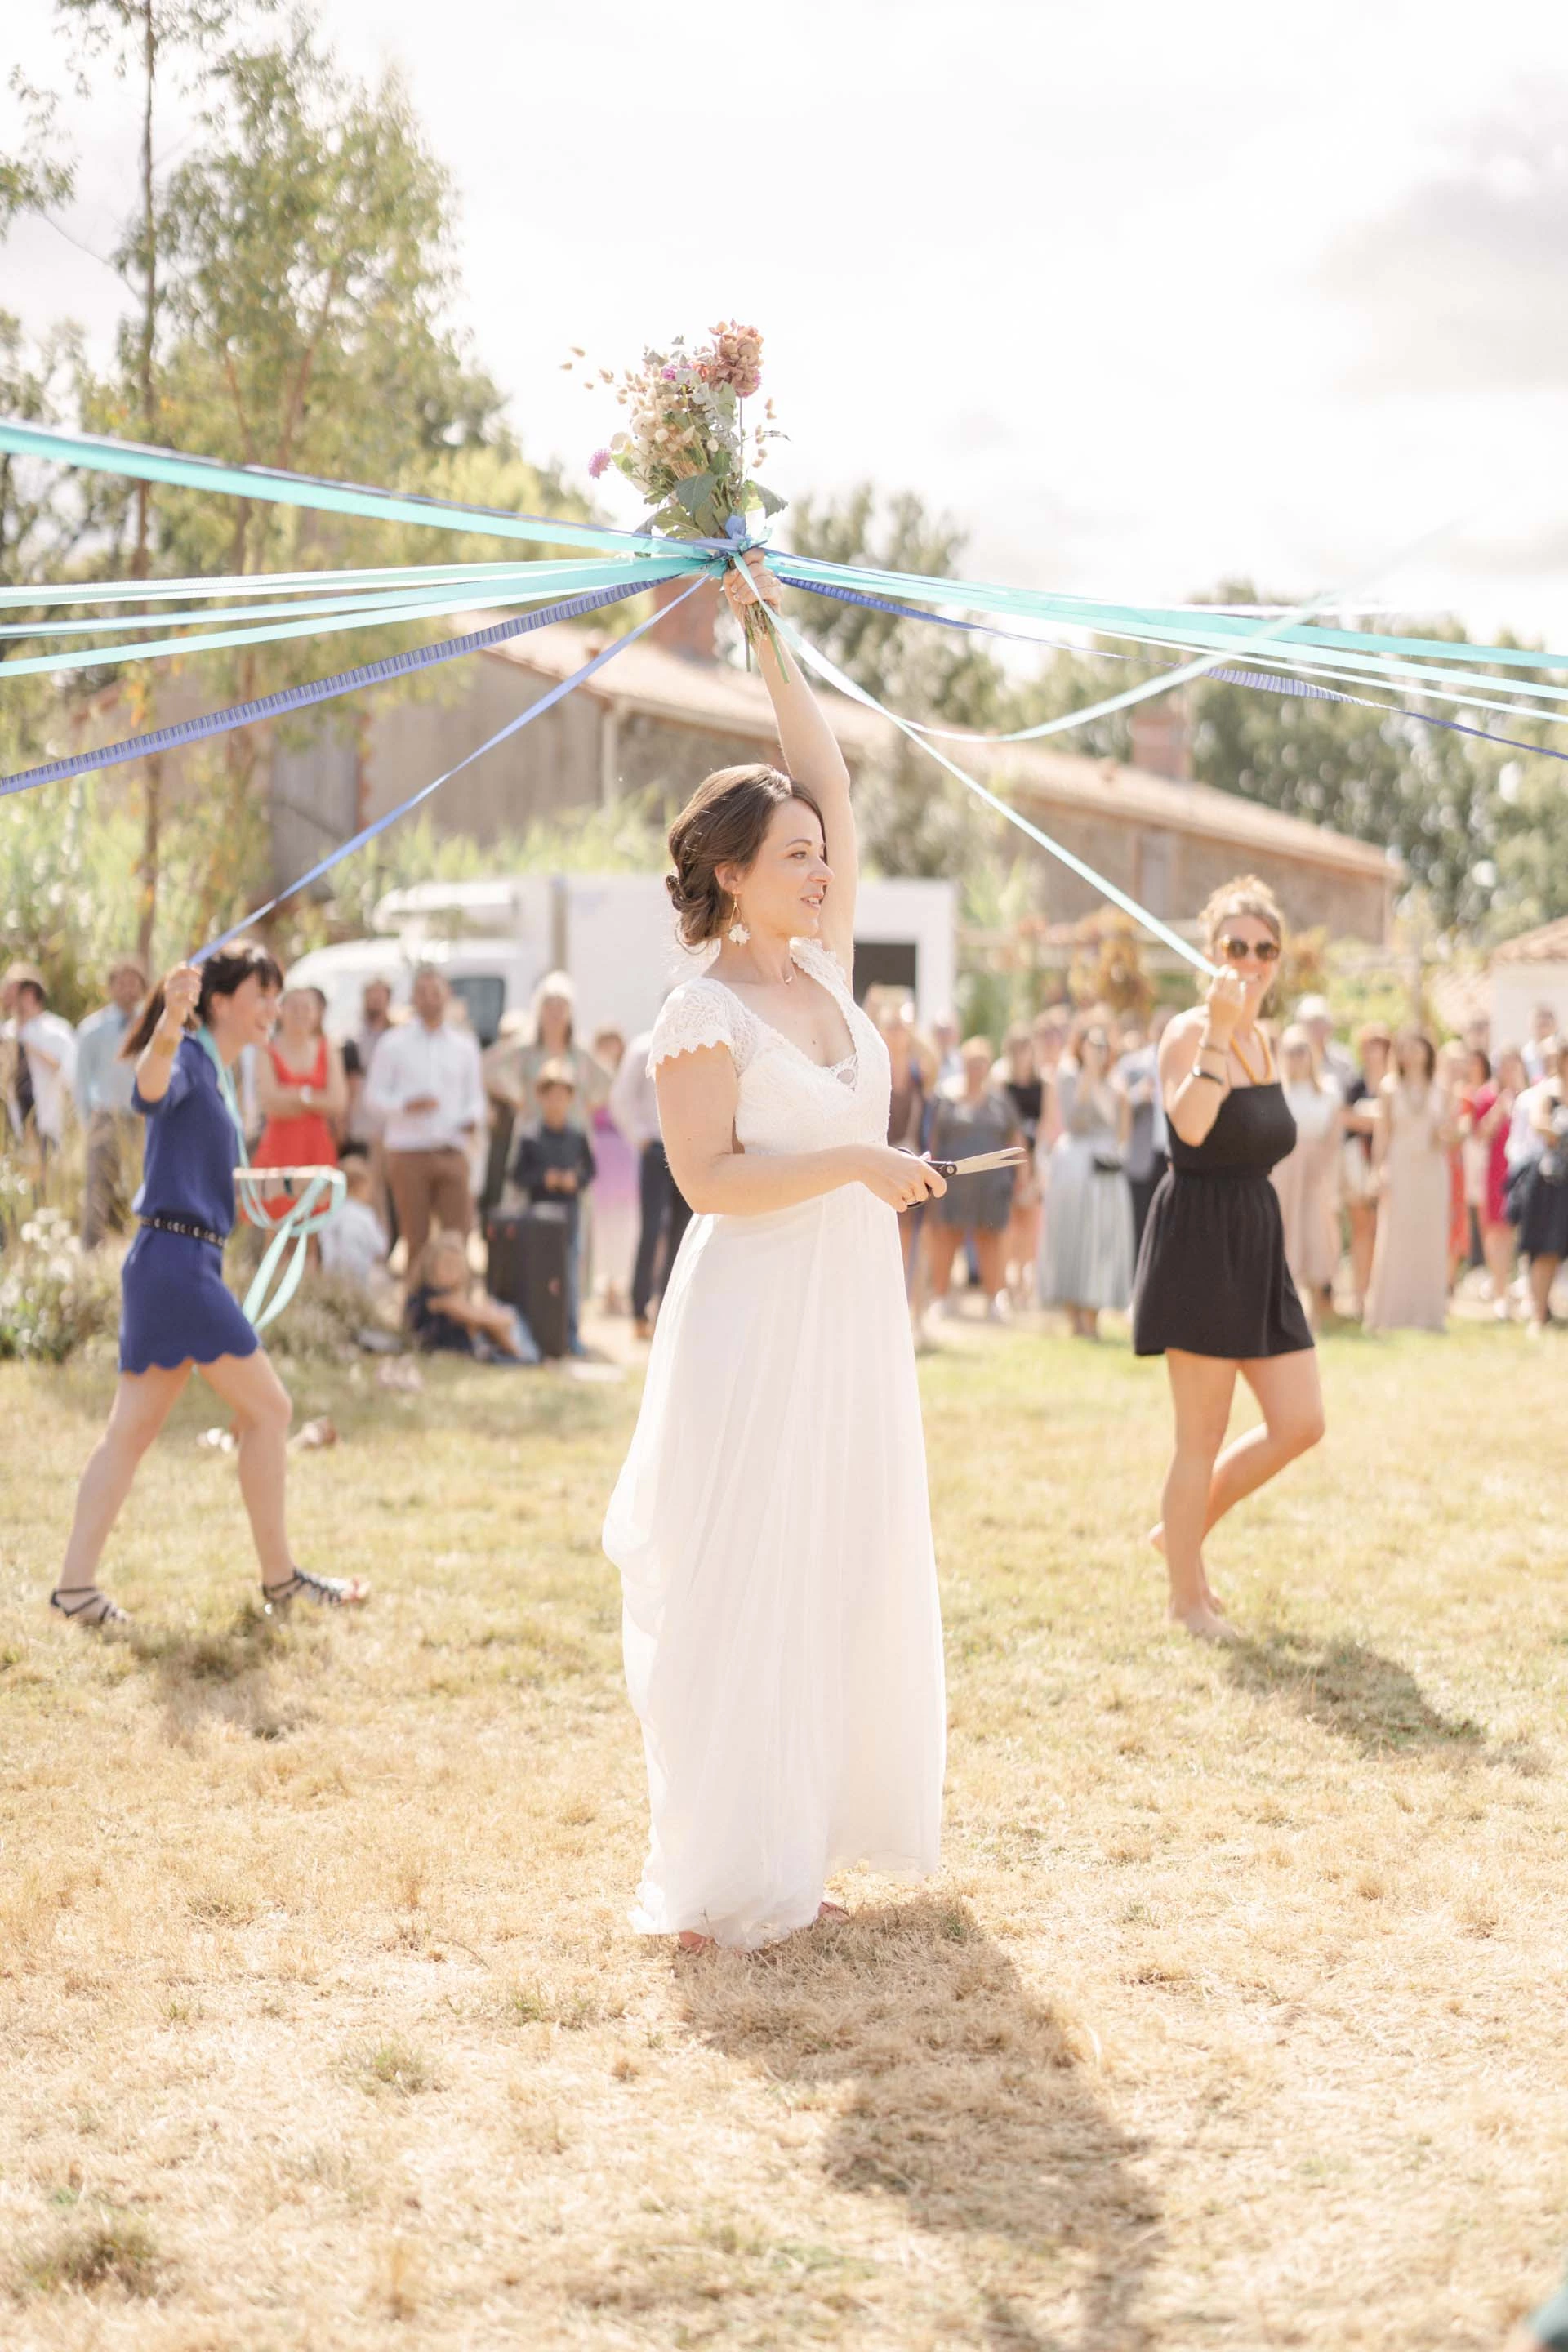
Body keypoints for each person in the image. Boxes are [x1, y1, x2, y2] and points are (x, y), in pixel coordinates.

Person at [602, 551, 948, 1953]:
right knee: (746, 1566)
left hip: (847, 1319)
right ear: (732, 880)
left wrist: (758, 623)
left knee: (833, 1561)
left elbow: (835, 776)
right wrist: (860, 1164)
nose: (821, 866)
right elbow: (708, 1180)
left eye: (821, 855)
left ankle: (795, 1847)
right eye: (794, 856)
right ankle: (721, 1874)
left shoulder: (827, 971)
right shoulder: (702, 1013)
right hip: (751, 1316)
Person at [50, 946, 368, 1629]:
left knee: (129, 1434)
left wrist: (281, 1186)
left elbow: (200, 1174)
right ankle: (281, 1581)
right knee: (272, 1411)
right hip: (178, 1268)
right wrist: (169, 1020)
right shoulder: (191, 1056)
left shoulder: (218, 1076)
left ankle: (74, 1589)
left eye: (278, 997)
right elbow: (149, 1088)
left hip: (169, 1259)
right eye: (263, 993)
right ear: (219, 1001)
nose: (273, 1010)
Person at [1133, 877, 1323, 1644]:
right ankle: (1187, 1598)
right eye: (1235, 946)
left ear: (1278, 959)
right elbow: (1191, 1123)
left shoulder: (1268, 1037)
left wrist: (1239, 1028)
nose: (1250, 960)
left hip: (1256, 1237)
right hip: (1200, 1237)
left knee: (1301, 1421)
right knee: (1200, 1437)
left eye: (1264, 948)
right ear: (1210, 954)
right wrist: (1215, 1028)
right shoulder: (1191, 1029)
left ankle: (1177, 1535)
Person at [363, 964, 484, 1272]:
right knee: (415, 1241)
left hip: (451, 1150)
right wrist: (406, 1105)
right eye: (422, 993)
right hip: (409, 1153)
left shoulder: (464, 1046)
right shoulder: (394, 1044)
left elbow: (476, 1098)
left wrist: (472, 1118)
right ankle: (417, 1315)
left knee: (458, 1238)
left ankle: (458, 1314)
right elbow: (372, 1098)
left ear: (447, 995)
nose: (429, 999)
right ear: (413, 998)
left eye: (435, 992)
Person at [1040, 1017, 1135, 1339]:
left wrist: (1115, 1093)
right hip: (1075, 1166)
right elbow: (1075, 1121)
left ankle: (1094, 1316)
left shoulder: (1117, 1081)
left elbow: (1120, 1129)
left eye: (1103, 1045)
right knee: (1072, 1234)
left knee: (1102, 1239)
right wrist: (1090, 1076)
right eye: (1093, 1044)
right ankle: (1074, 1317)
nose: (1099, 1050)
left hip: (1106, 1166)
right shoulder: (1068, 1076)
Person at [611, 1004, 694, 1341]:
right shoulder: (645, 1047)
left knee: (682, 1232)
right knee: (651, 1230)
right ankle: (638, 1308)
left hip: (689, 1151)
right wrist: (641, 1139)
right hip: (657, 1150)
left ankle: (667, 1310)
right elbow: (620, 1098)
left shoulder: (698, 1048)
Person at [924, 1037, 1022, 1321]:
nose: (976, 1069)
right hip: (952, 1185)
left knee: (990, 1238)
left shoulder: (1000, 1103)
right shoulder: (946, 1100)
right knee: (946, 1236)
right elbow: (933, 1138)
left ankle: (994, 1299)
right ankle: (940, 1297)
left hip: (992, 1186)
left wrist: (1023, 1179)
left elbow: (1016, 1139)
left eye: (982, 1063)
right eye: (971, 1063)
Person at [1363, 1030, 1452, 1334]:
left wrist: (1450, 1134)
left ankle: (1429, 1314)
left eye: (1418, 1047)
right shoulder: (1389, 1088)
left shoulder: (1440, 1088)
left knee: (1429, 1237)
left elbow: (1447, 1131)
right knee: (1395, 1238)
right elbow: (1382, 1133)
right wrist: (1377, 1171)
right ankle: (1389, 1314)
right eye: (1406, 1048)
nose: (1412, 1054)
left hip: (1432, 1168)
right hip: (1400, 1166)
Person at [510, 1059, 598, 1356]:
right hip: (538, 1218)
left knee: (570, 1277)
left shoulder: (576, 1136)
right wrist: (544, 1178)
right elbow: (518, 1175)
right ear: (541, 1097)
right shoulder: (530, 1135)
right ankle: (538, 1332)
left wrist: (574, 1180)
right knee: (538, 1275)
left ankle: (571, 1333)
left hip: (569, 1216)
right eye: (551, 1094)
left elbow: (590, 1172)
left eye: (563, 1095)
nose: (557, 1102)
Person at [75, 953, 149, 1250]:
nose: (128, 989)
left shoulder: (152, 1026)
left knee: (139, 1183)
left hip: (141, 1118)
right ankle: (91, 1249)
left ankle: (136, 1244)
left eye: (134, 983)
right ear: (111, 986)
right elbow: (81, 1080)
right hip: (105, 1117)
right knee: (98, 1186)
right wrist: (87, 1122)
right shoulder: (94, 1029)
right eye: (122, 982)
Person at [1272, 1022, 1343, 1323]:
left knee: (1316, 1231)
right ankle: (1285, 1309)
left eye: (1301, 1050)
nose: (1296, 1058)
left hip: (1315, 1172)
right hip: (1282, 1170)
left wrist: (1321, 1166)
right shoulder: (1274, 1091)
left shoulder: (1327, 1090)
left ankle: (1315, 1310)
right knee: (1284, 1233)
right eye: (1289, 1052)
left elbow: (1334, 1134)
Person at [252, 986, 345, 1209]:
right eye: (294, 1007)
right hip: (279, 1148)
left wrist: (294, 1096)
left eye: (307, 1008)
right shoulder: (266, 1049)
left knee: (314, 1221)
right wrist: (314, 1099)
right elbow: (269, 1102)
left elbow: (338, 1102)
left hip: (317, 1147)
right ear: (281, 1010)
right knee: (275, 1219)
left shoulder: (327, 1048)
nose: (300, 1013)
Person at [405, 1227, 539, 1363]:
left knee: (496, 1313)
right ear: (431, 1267)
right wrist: (502, 1318)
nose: (452, 1271)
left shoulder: (449, 1294)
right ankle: (525, 1358)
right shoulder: (432, 1297)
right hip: (444, 1347)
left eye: (456, 1266)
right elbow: (474, 1316)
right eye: (447, 1265)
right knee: (498, 1317)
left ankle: (524, 1357)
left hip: (461, 1343)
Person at [1509, 1047, 1568, 1333]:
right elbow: (1539, 1124)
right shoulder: (1548, 1092)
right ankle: (1537, 1314)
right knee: (1545, 1248)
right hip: (1552, 1182)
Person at [1465, 1047, 1523, 1318]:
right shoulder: (1487, 1096)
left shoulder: (1529, 1095)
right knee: (1495, 1231)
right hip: (1495, 1171)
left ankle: (1513, 1288)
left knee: (1514, 1233)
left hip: (1520, 1171)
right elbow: (1480, 1134)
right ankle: (1500, 1291)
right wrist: (1500, 1108)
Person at [1341, 1022, 1392, 1316]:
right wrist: (1377, 1122)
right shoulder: (1355, 1084)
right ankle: (1359, 1296)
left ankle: (1381, 1297)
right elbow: (1345, 1118)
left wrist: (1373, 1121)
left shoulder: (1396, 1084)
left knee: (1385, 1230)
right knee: (1362, 1230)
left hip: (1388, 1165)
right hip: (1358, 1163)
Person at [1115, 1010, 1171, 1255]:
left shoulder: (1185, 1064)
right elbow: (1119, 1104)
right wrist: (1139, 1095)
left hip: (1171, 1157)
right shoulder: (1133, 1065)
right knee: (1139, 1223)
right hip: (1142, 1158)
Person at [996, 1024, 1045, 1305]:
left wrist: (1036, 1167)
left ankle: (1026, 1276)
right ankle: (1010, 1279)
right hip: (1010, 1160)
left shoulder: (1042, 1085)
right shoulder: (1003, 1085)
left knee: (1031, 1220)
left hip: (1036, 1158)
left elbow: (1046, 1123)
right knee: (1010, 1221)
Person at [6, 969, 77, 1160]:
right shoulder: (7, 1033)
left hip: (49, 1120)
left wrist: (35, 1051)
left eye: (14, 993)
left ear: (30, 995)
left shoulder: (57, 1032)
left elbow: (72, 1076)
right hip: (14, 1123)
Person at [316, 1157, 390, 1293]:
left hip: (333, 1277)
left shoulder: (331, 1214)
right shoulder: (365, 1214)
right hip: (361, 1275)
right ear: (359, 1187)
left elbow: (325, 1244)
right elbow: (381, 1246)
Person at [1294, 994, 1356, 1099]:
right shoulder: (1292, 1060)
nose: (1316, 1030)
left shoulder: (1342, 1059)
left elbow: (1350, 1098)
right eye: (1311, 1024)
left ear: (1329, 1026)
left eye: (1319, 1023)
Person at [1523, 1004, 1561, 1083]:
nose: (1543, 1030)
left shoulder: (1563, 1053)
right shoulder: (1524, 1056)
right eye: (1539, 1025)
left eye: (1546, 1024)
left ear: (1555, 1026)